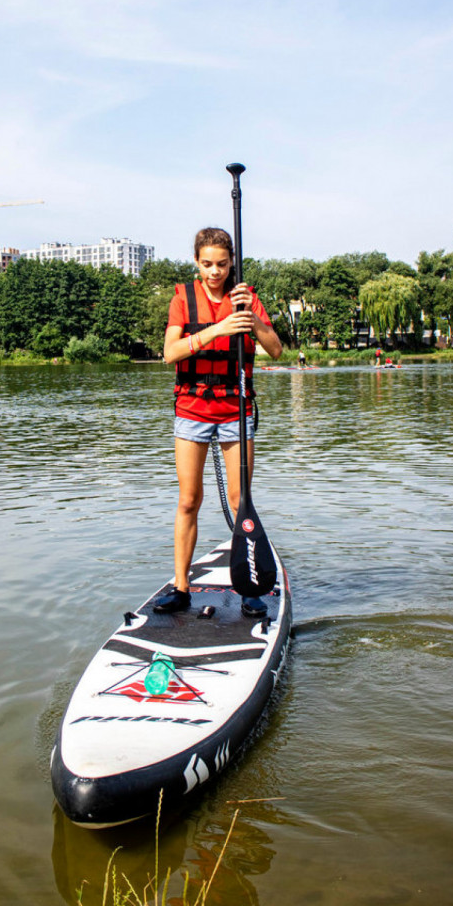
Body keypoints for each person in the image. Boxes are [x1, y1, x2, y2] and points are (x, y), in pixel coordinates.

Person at [153, 227, 283, 617]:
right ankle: (181, 587)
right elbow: (170, 354)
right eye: (207, 264)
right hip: (192, 410)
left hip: (235, 410)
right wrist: (218, 329)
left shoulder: (246, 298)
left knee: (240, 500)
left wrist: (250, 320)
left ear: (232, 263)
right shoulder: (182, 299)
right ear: (197, 262)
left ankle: (249, 588)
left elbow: (275, 350)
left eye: (222, 265)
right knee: (189, 500)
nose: (215, 272)